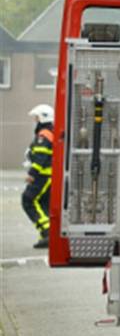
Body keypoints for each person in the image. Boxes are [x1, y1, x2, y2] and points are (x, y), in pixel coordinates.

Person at [22, 104, 55, 249]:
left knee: (28, 200)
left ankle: (47, 231)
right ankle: (46, 236)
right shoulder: (49, 133)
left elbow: (41, 157)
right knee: (42, 203)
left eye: (36, 118)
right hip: (48, 176)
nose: (35, 120)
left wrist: (32, 174)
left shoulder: (44, 135)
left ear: (42, 118)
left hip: (42, 176)